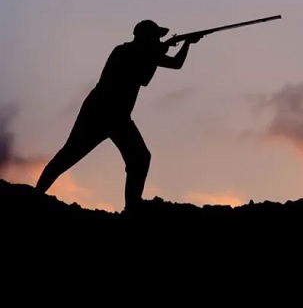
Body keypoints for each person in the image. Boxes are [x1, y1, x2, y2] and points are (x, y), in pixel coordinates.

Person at [34, 19, 203, 211]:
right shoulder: (123, 52)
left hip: (118, 116)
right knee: (69, 154)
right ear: (144, 38)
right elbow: (144, 77)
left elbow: (175, 64)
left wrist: (187, 43)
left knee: (139, 158)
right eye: (154, 37)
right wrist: (159, 51)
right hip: (101, 111)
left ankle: (132, 206)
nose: (157, 41)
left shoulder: (145, 54)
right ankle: (36, 194)